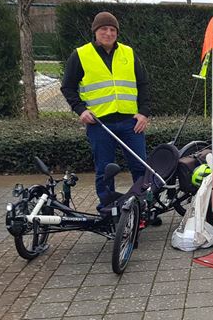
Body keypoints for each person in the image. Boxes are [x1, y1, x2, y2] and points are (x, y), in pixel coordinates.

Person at [61, 11, 151, 209]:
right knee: (105, 169)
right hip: (100, 123)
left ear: (117, 33)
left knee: (140, 166)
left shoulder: (128, 53)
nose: (108, 33)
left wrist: (144, 112)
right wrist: (80, 110)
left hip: (131, 122)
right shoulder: (81, 55)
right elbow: (67, 87)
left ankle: (143, 207)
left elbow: (143, 83)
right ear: (95, 31)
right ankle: (107, 207)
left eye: (112, 30)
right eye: (104, 29)